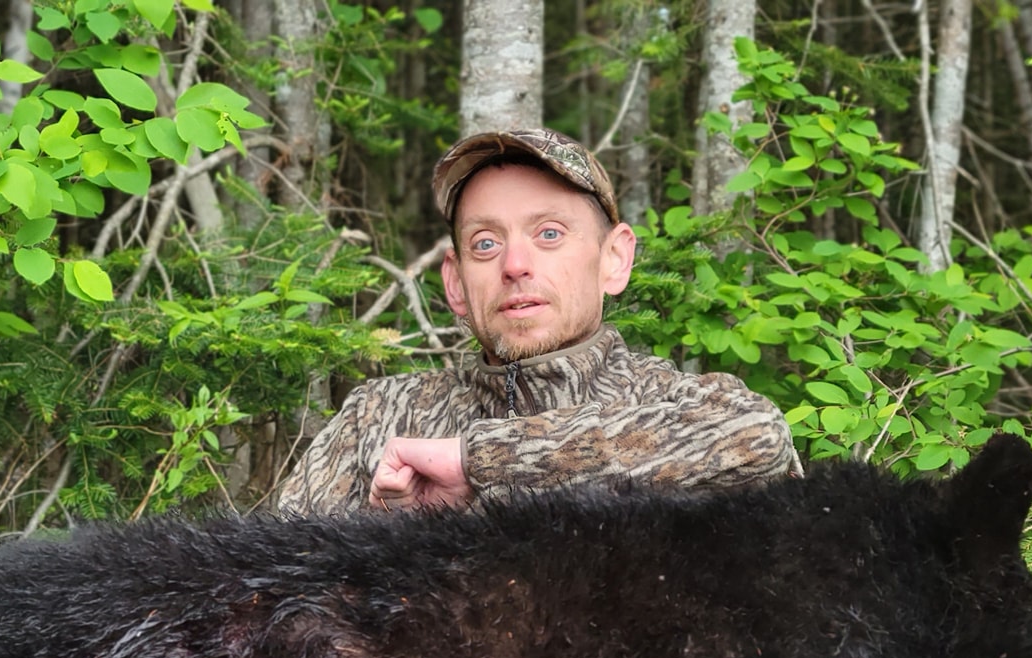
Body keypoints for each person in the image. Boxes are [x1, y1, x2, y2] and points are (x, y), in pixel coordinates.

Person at [276, 128, 800, 515]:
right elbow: (269, 585)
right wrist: (383, 534)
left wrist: (475, 461)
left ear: (615, 259)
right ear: (456, 283)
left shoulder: (680, 407)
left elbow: (757, 438)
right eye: (485, 243)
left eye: (549, 234)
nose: (514, 264)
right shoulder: (377, 418)